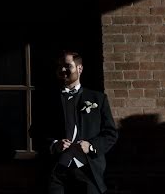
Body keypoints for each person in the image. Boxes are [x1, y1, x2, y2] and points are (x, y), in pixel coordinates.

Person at [31, 51, 118, 194]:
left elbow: (111, 133)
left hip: (88, 170)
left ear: (80, 68)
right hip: (56, 171)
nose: (62, 70)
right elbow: (35, 132)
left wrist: (91, 146)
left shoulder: (98, 98)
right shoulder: (47, 99)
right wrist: (54, 144)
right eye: (59, 67)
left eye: (67, 66)